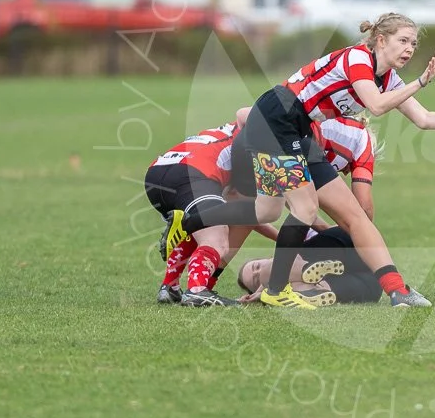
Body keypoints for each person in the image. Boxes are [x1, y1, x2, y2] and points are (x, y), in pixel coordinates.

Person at [165, 12, 435, 309]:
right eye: (404, 40)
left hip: (299, 132)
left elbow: (421, 118)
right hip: (276, 119)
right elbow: (377, 107)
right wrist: (419, 82)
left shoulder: (388, 78)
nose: (409, 49)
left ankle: (397, 291)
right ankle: (276, 290)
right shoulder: (357, 59)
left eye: (413, 44)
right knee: (304, 208)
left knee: (283, 211)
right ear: (380, 40)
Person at [160, 112, 381, 307]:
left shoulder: (267, 142)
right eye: (257, 275)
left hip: (185, 169)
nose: (256, 270)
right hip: (192, 171)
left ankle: (194, 283)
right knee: (371, 285)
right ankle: (312, 285)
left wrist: (295, 239)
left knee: (231, 226)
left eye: (255, 269)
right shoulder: (274, 144)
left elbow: (261, 210)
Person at [146, 119, 248, 307]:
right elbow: (252, 214)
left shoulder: (231, 131)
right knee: (217, 236)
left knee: (201, 222)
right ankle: (197, 290)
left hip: (156, 173)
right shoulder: (257, 144)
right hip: (191, 173)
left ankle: (170, 287)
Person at [235, 227, 383, 306]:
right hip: (372, 285)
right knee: (314, 289)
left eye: (256, 266)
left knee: (273, 270)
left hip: (346, 245)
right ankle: (308, 286)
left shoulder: (291, 249)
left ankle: (303, 270)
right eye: (255, 281)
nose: (258, 272)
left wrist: (263, 290)